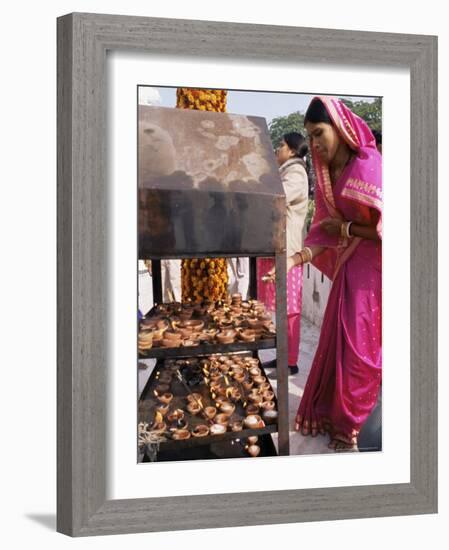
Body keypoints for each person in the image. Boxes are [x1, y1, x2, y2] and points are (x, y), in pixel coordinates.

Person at [279, 97, 382, 451]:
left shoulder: (368, 164)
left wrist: (348, 228)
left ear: (340, 127)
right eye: (310, 135)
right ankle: (333, 416)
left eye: (319, 133)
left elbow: (390, 228)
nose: (315, 143)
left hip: (375, 266)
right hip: (349, 264)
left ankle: (351, 426)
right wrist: (296, 259)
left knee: (358, 346)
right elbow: (326, 231)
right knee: (336, 343)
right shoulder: (326, 174)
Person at [258, 132, 309, 375]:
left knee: (288, 309)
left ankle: (290, 362)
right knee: (279, 307)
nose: (278, 149)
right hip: (278, 248)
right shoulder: (286, 172)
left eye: (281, 145)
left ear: (291, 150)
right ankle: (282, 358)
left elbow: (277, 198)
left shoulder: (296, 173)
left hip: (288, 253)